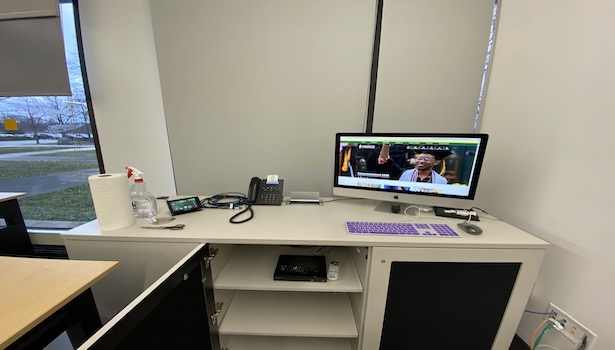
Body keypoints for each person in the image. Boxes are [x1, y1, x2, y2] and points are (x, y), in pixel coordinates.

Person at [378, 144, 452, 184]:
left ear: (436, 162)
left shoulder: (442, 181)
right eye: (419, 159)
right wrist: (385, 146)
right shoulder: (404, 174)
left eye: (426, 159)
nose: (421, 161)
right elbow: (385, 161)